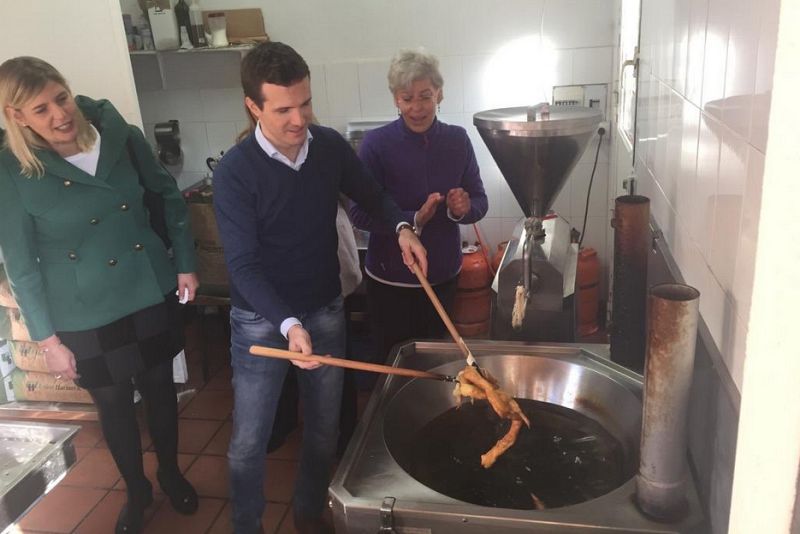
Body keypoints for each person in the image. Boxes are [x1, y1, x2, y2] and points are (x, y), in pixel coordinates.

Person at [212, 41, 427, 534]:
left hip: (325, 307)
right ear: (254, 107)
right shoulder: (235, 173)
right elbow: (242, 266)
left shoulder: (328, 146)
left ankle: (309, 512)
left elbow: (373, 195)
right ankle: (248, 526)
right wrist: (287, 324)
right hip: (261, 322)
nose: (299, 118)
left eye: (305, 103)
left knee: (325, 430)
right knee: (250, 439)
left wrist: (402, 229)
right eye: (284, 108)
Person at [0, 57, 200, 534]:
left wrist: (186, 261)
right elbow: (20, 263)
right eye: (41, 109)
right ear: (18, 116)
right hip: (83, 310)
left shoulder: (118, 134)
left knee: (159, 390)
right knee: (112, 405)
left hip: (148, 286)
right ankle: (137, 489)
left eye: (61, 98)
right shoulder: (11, 170)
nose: (60, 115)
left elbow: (167, 196)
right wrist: (47, 340)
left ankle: (170, 472)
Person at [350, 48, 488, 362]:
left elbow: (480, 201)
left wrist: (461, 208)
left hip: (443, 274)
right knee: (393, 363)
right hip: (390, 280)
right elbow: (358, 211)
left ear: (439, 94)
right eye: (406, 98)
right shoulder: (376, 144)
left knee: (438, 365)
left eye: (425, 96)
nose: (416, 108)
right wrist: (412, 219)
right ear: (395, 99)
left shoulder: (458, 140)